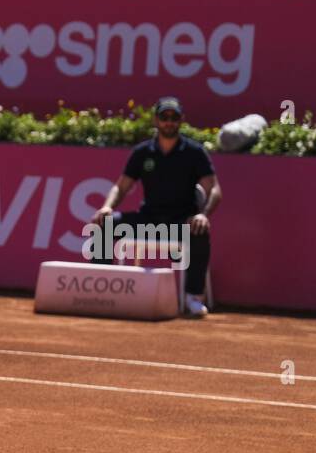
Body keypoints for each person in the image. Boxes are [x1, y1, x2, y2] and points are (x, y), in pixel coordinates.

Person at [91, 96, 222, 317]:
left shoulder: (194, 152)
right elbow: (121, 187)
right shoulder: (143, 152)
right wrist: (106, 207)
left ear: (181, 120)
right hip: (149, 221)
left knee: (200, 230)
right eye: (164, 117)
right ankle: (101, 289)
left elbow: (215, 190)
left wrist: (202, 214)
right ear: (156, 120)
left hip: (180, 224)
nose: (169, 122)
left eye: (174, 117)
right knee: (105, 225)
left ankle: (193, 296)